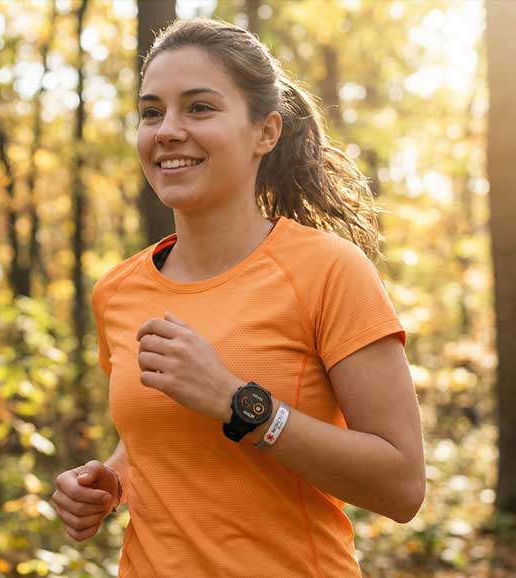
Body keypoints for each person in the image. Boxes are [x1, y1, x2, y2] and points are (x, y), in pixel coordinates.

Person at [51, 17, 425, 578]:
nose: (167, 130)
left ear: (265, 132)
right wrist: (110, 482)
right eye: (151, 112)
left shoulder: (329, 271)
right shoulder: (119, 290)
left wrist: (238, 403)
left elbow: (402, 487)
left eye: (199, 108)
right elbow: (159, 443)